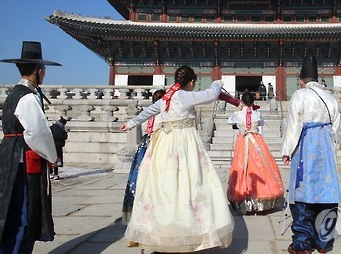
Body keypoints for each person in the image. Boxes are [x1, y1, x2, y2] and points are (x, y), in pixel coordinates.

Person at [119, 66, 234, 252]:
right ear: (191, 82)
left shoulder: (167, 97)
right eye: (193, 83)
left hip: (164, 144)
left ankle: (160, 230)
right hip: (183, 144)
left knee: (164, 185)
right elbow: (211, 95)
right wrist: (217, 83)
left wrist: (131, 123)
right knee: (190, 183)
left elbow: (148, 112)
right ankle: (187, 229)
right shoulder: (183, 95)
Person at [0, 41, 62, 254]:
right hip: (22, 160)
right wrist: (52, 155)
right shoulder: (27, 97)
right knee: (23, 213)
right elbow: (37, 132)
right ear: (39, 71)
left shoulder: (14, 93)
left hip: (8, 155)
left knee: (8, 209)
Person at [281, 55, 341, 254]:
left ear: (301, 79)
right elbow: (335, 128)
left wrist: (287, 150)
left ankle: (302, 243)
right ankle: (323, 242)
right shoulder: (330, 98)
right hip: (325, 148)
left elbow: (294, 125)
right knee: (325, 193)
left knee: (303, 194)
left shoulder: (300, 95)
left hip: (306, 146)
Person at [227, 91, 285, 214]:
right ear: (253, 102)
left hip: (243, 141)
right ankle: (262, 196)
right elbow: (261, 124)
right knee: (261, 166)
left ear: (242, 101)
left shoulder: (237, 114)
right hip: (256, 141)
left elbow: (229, 121)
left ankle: (243, 198)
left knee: (242, 166)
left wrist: (239, 109)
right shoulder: (257, 114)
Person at [121, 89, 165, 224]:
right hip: (160, 146)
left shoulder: (147, 115)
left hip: (145, 146)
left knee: (141, 178)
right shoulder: (164, 116)